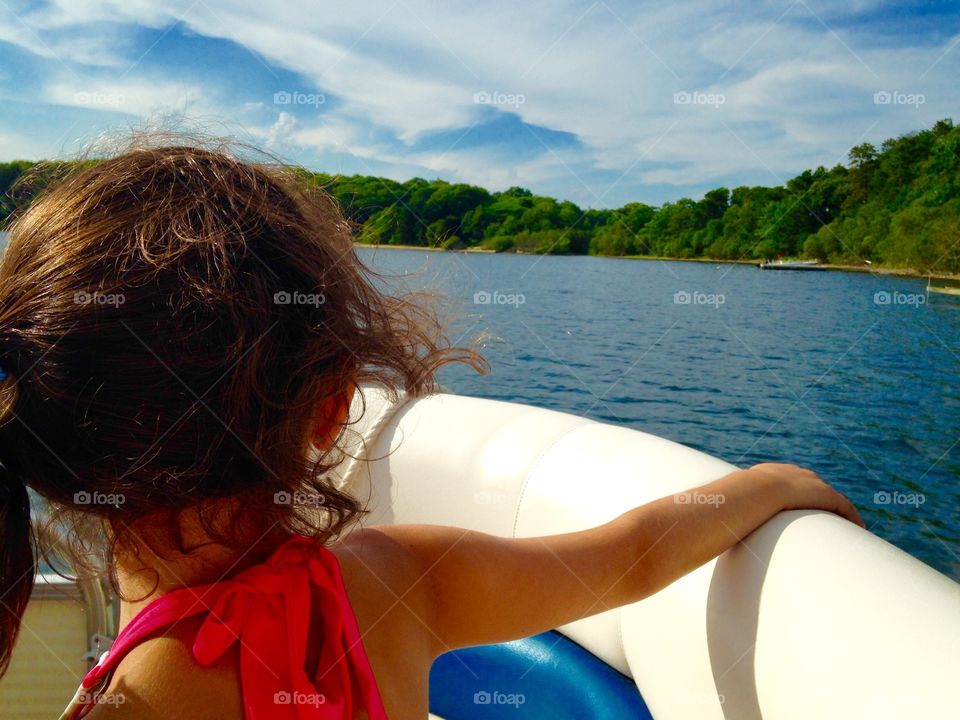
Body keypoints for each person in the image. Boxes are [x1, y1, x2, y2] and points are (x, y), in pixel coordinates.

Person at [0, 142, 864, 719]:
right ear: (334, 407)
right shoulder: (395, 585)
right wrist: (772, 482)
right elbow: (629, 554)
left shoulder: (136, 703)